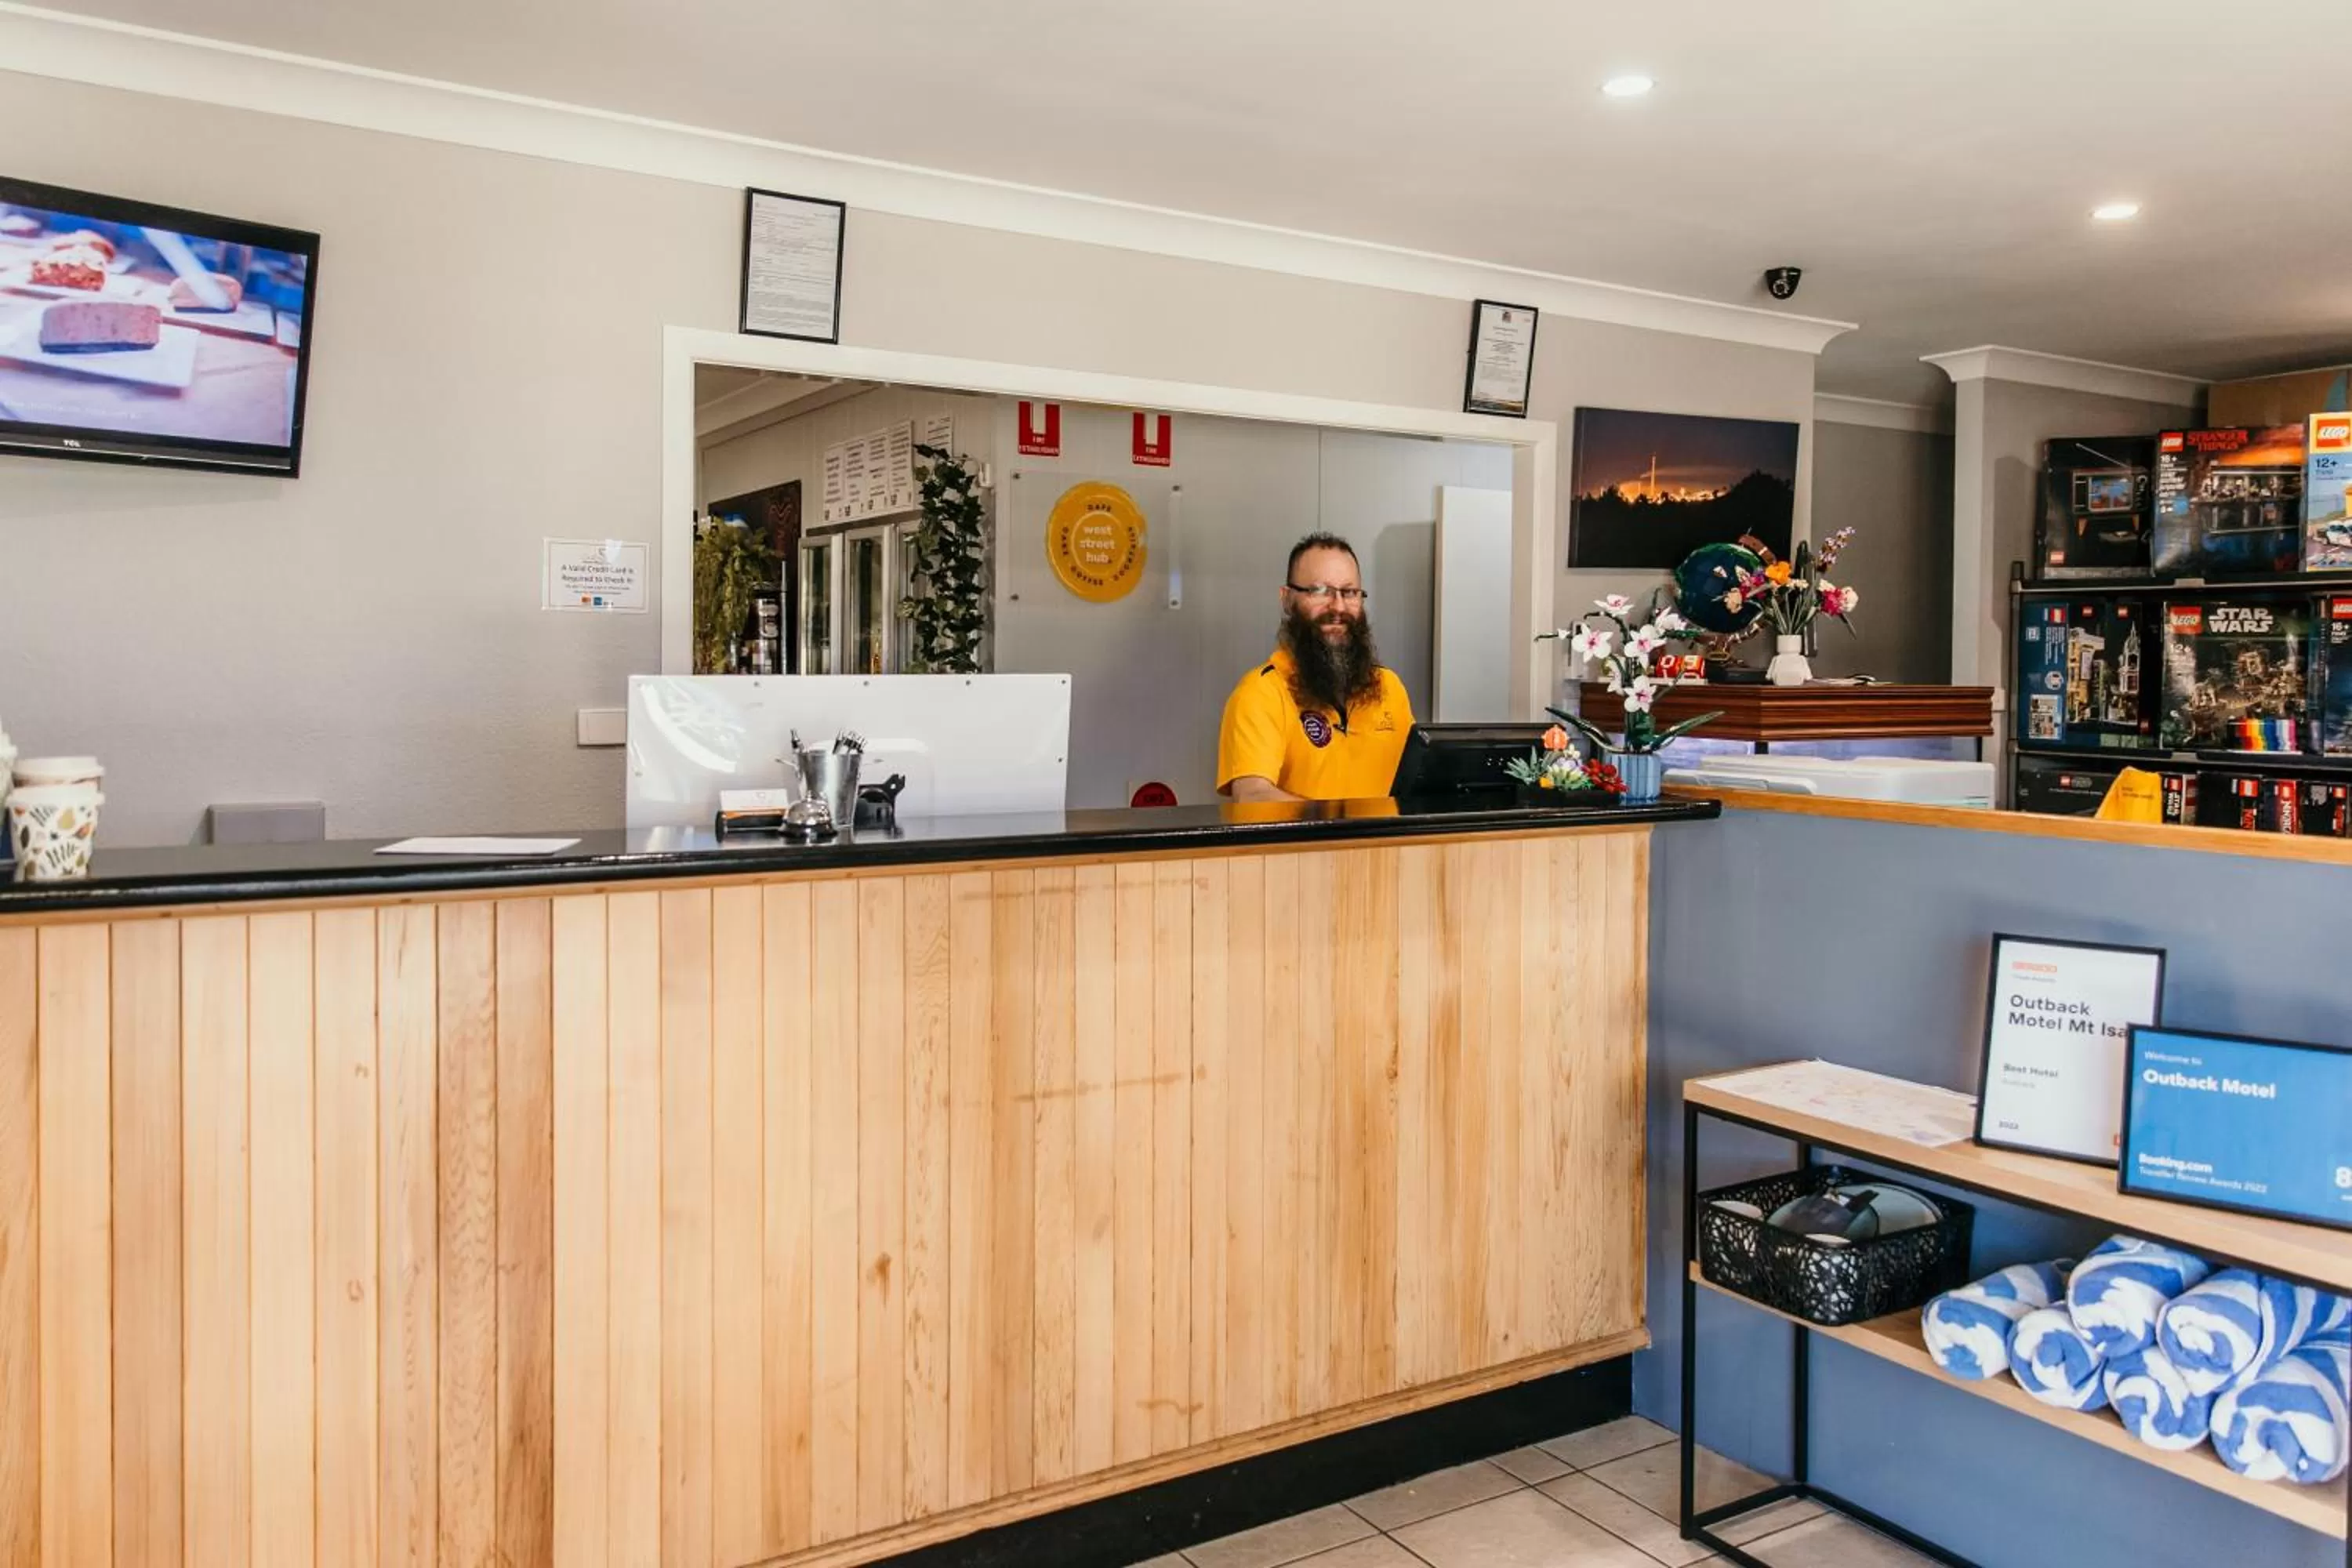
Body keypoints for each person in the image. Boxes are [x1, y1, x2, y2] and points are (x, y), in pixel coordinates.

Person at [1216, 532, 1414, 802]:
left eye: (1350, 592)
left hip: (1384, 846)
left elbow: (1418, 783)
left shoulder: (1389, 688)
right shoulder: (1260, 693)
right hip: (1306, 846)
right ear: (1287, 599)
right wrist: (1338, 824)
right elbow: (1252, 795)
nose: (1338, 607)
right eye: (1320, 591)